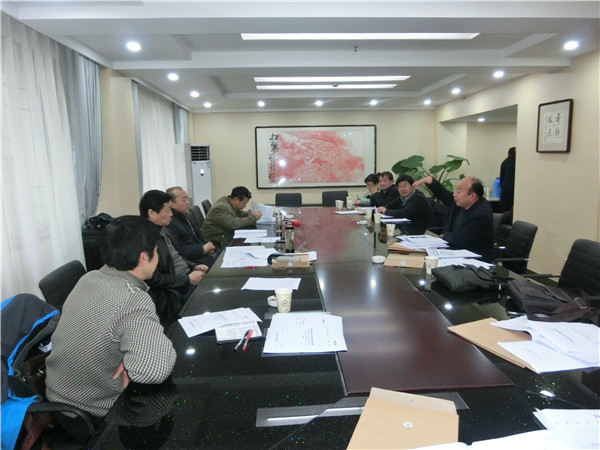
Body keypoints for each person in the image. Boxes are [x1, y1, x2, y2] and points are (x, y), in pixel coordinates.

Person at [45, 216, 176, 419]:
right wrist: (134, 362)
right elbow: (153, 371)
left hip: (56, 398)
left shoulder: (88, 278)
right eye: (156, 251)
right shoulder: (133, 299)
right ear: (144, 258)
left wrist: (130, 359)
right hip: (95, 412)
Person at [140, 190, 206, 322]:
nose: (171, 214)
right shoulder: (146, 238)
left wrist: (193, 266)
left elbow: (176, 255)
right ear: (151, 213)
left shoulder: (162, 228)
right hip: (174, 290)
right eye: (168, 210)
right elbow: (155, 279)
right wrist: (187, 279)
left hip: (184, 278)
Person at [413, 175, 495, 262]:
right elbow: (446, 196)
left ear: (472, 196)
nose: (454, 194)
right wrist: (432, 182)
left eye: (458, 192)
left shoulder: (481, 214)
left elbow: (461, 240)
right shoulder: (464, 202)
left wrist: (445, 235)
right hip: (456, 252)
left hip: (474, 260)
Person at [165, 186, 218, 268]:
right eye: (184, 199)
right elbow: (180, 250)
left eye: (187, 198)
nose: (188, 202)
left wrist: (208, 246)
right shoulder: (170, 222)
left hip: (204, 254)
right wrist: (203, 249)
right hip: (195, 261)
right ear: (171, 203)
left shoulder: (185, 215)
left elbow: (198, 237)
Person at [499, 146, 516, 212]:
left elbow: (501, 179)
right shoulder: (518, 163)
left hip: (505, 192)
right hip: (514, 192)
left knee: (505, 213)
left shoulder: (504, 163)